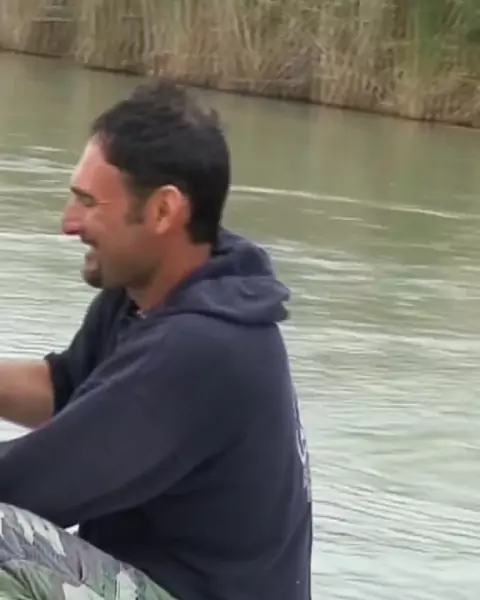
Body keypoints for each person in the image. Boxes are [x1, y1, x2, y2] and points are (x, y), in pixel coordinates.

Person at [0, 79, 312, 600]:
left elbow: (27, 485)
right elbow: (67, 390)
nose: (69, 223)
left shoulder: (204, 349)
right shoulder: (146, 295)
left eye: (88, 202)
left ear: (164, 211)